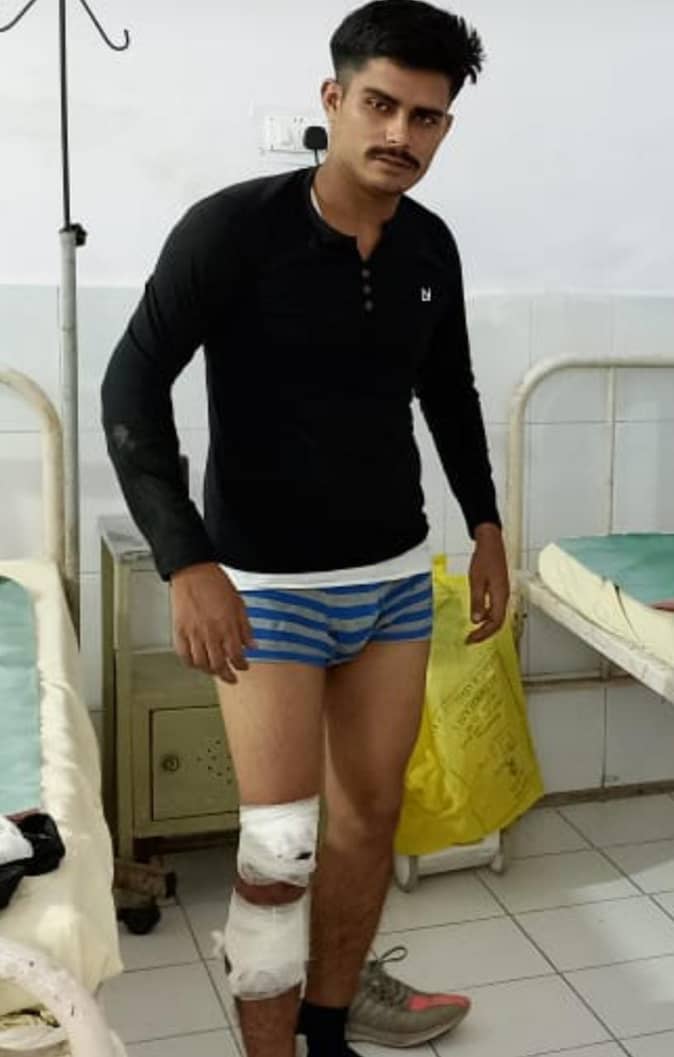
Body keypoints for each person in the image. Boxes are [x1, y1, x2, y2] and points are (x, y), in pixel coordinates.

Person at [101, 2, 509, 1055]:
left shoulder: (430, 245)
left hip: (392, 579)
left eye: (426, 117)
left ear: (444, 126)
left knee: (367, 820)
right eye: (380, 104)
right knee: (279, 847)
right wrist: (188, 560)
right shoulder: (232, 231)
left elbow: (449, 391)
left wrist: (486, 525)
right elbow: (132, 386)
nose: (400, 134)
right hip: (267, 586)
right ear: (334, 98)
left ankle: (327, 1031)